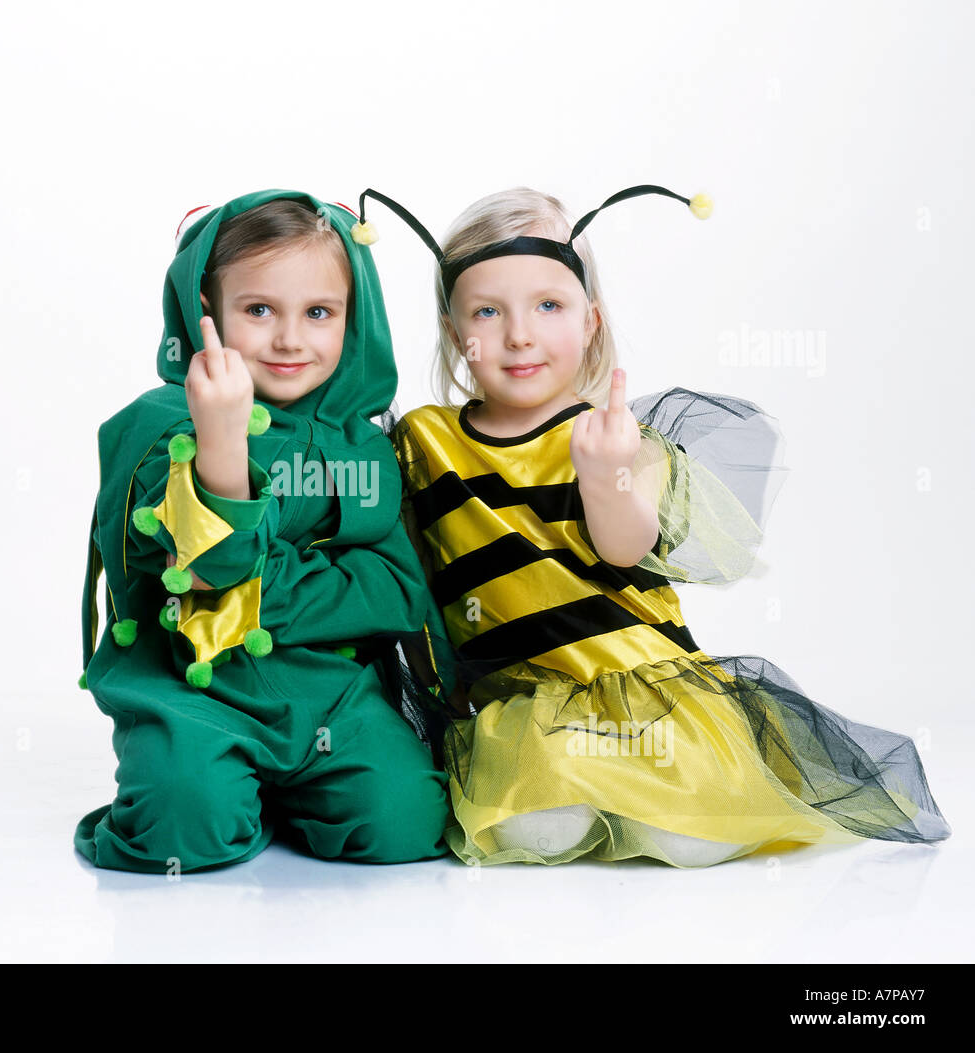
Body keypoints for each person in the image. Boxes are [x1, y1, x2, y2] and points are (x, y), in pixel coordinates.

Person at [355, 183, 952, 866]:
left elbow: (625, 544)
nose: (519, 333)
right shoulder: (428, 441)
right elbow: (409, 560)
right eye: (488, 311)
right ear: (456, 332)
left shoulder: (615, 437)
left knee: (689, 820)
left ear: (591, 322)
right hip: (525, 701)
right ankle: (584, 791)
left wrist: (606, 473)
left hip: (644, 685)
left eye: (548, 305)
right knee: (532, 814)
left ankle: (652, 794)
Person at [74, 189, 453, 874]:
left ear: (352, 318)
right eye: (258, 310)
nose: (289, 339)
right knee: (180, 827)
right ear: (206, 314)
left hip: (330, 694)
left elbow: (396, 590)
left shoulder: (366, 446)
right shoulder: (167, 426)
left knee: (406, 822)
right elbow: (214, 569)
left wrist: (264, 578)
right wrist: (219, 439)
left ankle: (290, 789)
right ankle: (224, 786)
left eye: (318, 313)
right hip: (197, 690)